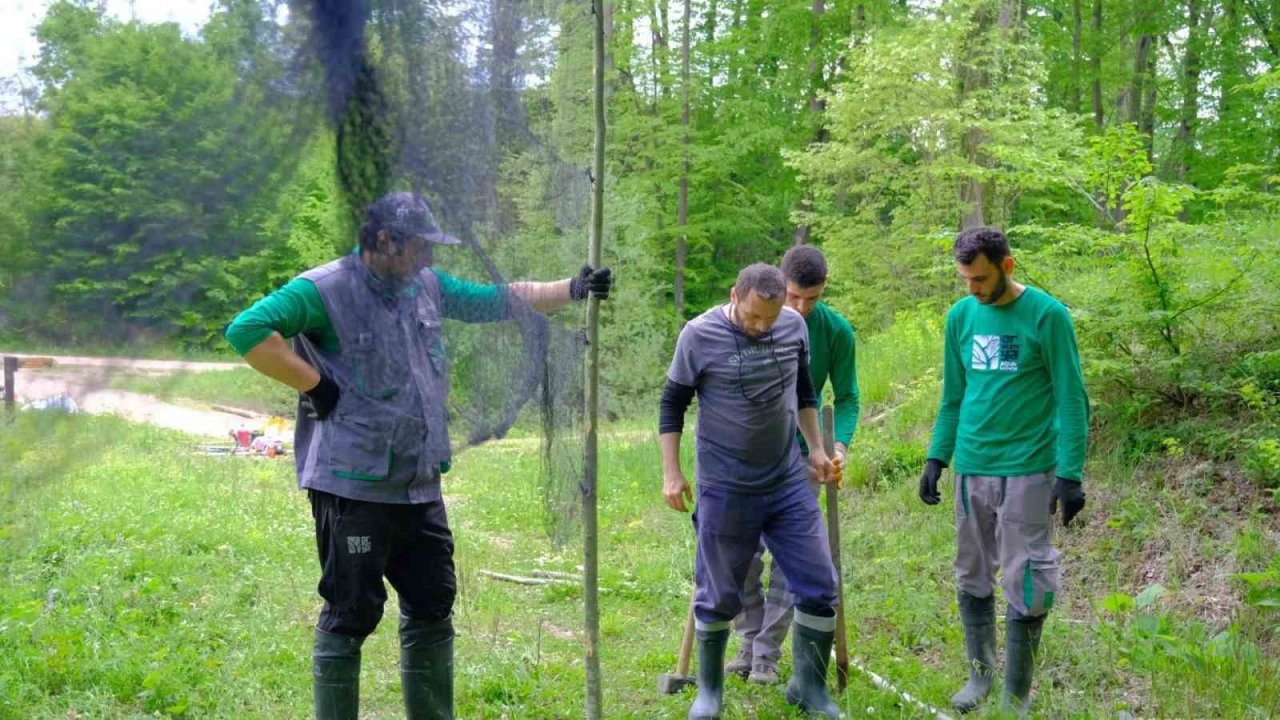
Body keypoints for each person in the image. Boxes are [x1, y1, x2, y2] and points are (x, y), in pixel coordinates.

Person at [223, 191, 612, 720]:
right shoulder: (324, 289)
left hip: (418, 483)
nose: (429, 256)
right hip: (352, 487)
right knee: (350, 613)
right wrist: (316, 384)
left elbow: (495, 300)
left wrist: (572, 288)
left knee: (432, 605)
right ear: (386, 240)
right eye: (420, 246)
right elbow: (246, 331)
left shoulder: (424, 285)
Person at [659, 263, 844, 719]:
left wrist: (817, 450)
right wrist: (671, 472)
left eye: (770, 317)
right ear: (734, 295)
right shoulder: (698, 335)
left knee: (820, 583)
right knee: (718, 592)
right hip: (725, 485)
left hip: (786, 481)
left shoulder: (794, 326)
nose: (762, 327)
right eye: (753, 316)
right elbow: (672, 403)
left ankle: (809, 688)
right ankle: (709, 694)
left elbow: (804, 392)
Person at [917, 226, 1088, 715]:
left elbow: (1072, 398)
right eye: (966, 280)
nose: (972, 288)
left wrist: (1070, 473)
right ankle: (979, 677)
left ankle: (1016, 695)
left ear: (1007, 266)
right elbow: (953, 397)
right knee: (971, 571)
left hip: (1028, 468)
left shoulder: (1048, 316)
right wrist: (937, 457)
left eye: (980, 278)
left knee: (1028, 575)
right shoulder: (961, 316)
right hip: (972, 466)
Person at [726, 245, 860, 685]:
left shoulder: (836, 331)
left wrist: (838, 446)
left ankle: (766, 653)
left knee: (790, 558)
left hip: (805, 453)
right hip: (749, 452)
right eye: (794, 296)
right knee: (740, 552)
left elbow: (848, 396)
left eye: (812, 298)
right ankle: (748, 642)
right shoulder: (753, 319)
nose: (801, 307)